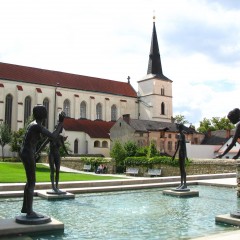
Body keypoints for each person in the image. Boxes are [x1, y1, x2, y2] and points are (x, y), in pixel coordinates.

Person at [20, 105, 65, 218]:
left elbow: (48, 136)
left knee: (29, 181)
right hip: (27, 153)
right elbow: (54, 136)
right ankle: (30, 212)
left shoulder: (34, 124)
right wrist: (61, 122)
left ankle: (26, 208)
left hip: (26, 152)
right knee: (32, 182)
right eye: (45, 113)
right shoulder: (36, 126)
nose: (46, 115)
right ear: (43, 115)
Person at [172, 123, 188, 190]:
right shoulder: (178, 135)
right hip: (180, 153)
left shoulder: (183, 136)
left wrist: (186, 155)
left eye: (179, 128)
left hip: (183, 153)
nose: (179, 129)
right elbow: (178, 146)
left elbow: (184, 145)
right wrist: (174, 155)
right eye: (178, 128)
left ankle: (185, 184)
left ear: (181, 128)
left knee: (183, 168)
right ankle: (181, 183)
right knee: (181, 169)